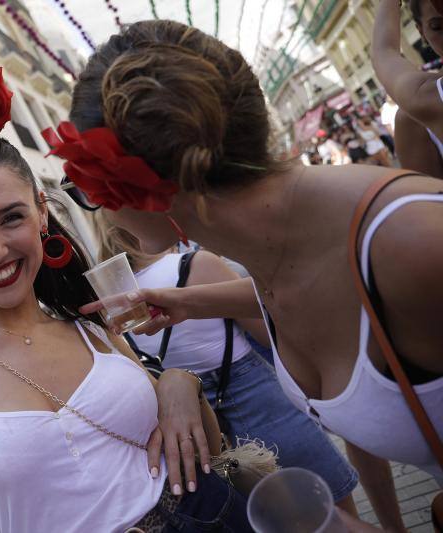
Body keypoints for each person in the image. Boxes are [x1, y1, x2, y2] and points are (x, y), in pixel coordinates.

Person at [58, 19, 442, 531]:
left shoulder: (409, 242)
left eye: (87, 187)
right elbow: (324, 288)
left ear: (140, 183)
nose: (99, 210)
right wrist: (191, 303)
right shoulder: (279, 255)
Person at [0, 45, 253, 531]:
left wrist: (180, 383)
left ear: (42, 212)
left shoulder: (89, 324)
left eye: (11, 218)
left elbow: (202, 448)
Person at [94, 222, 360, 513]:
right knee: (330, 501)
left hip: (192, 421)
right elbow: (269, 335)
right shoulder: (196, 263)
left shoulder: (117, 299)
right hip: (253, 395)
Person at [374, 0, 443, 176]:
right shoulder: (416, 117)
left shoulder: (425, 99)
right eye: (438, 27)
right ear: (421, 31)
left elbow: (384, 51)